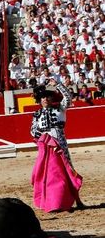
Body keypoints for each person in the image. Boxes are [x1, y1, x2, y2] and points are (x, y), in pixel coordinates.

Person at [30, 84, 84, 212]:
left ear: (51, 99)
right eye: (42, 98)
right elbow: (32, 130)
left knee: (68, 170)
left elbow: (68, 98)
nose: (45, 99)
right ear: (40, 100)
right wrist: (42, 137)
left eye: (47, 97)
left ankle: (78, 200)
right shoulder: (37, 114)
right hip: (46, 145)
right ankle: (51, 202)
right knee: (48, 174)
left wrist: (58, 85)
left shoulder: (60, 108)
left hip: (60, 142)